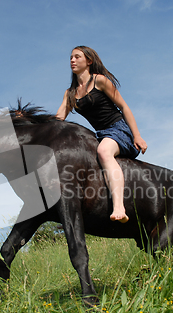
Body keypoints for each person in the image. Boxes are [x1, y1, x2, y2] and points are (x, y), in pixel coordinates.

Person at [56, 46, 147, 223]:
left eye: (77, 57)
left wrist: (137, 135)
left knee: (103, 152)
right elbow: (59, 118)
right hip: (100, 135)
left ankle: (119, 206)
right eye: (71, 58)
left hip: (119, 129)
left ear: (89, 61)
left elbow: (124, 107)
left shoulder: (100, 81)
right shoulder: (70, 93)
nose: (72, 60)